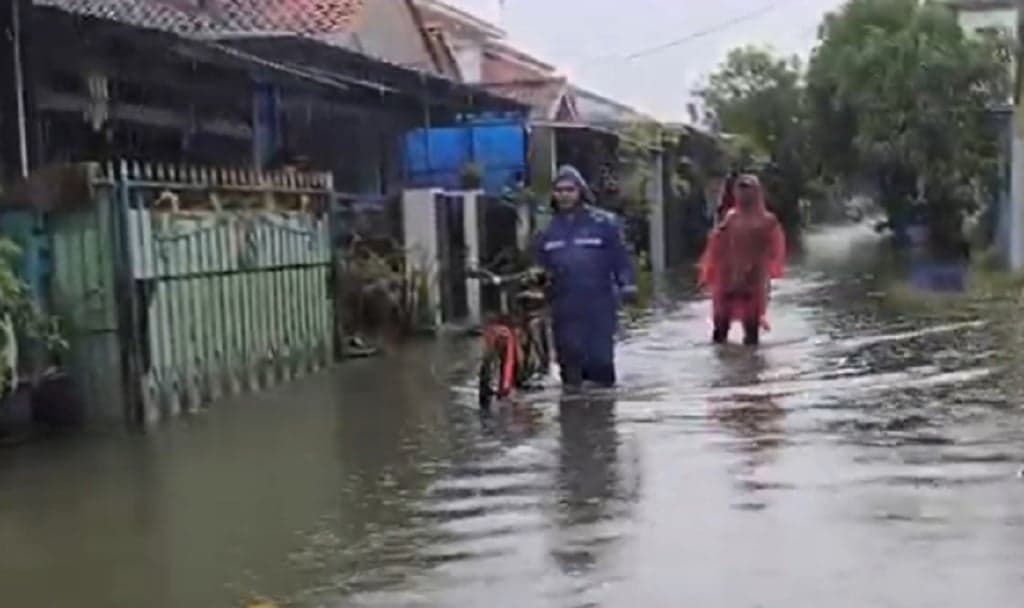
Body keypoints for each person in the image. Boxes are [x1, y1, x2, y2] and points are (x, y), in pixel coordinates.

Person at [535, 165, 637, 389]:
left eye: (569, 190)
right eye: (559, 190)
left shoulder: (604, 223)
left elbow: (621, 257)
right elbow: (538, 265)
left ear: (580, 191)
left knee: (600, 362)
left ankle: (602, 410)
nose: (564, 195)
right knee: (570, 365)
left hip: (598, 304)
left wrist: (627, 284)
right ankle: (573, 408)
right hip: (564, 307)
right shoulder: (547, 230)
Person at [698, 174, 785, 346]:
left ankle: (752, 360)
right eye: (740, 189)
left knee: (751, 328)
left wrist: (761, 269)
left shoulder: (768, 221)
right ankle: (720, 360)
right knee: (720, 328)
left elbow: (776, 251)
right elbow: (716, 246)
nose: (744, 194)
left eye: (748, 189)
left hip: (754, 279)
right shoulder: (730, 218)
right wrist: (710, 272)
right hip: (727, 278)